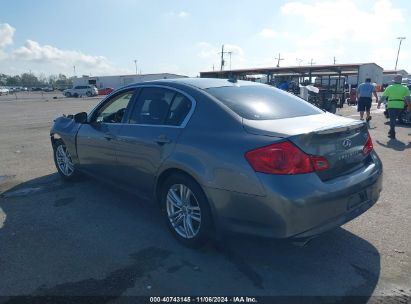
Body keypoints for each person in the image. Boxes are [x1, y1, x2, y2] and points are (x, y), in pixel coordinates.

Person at [378, 75, 411, 139]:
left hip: (391, 105)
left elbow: (383, 97)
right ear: (401, 81)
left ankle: (392, 132)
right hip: (400, 106)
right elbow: (408, 99)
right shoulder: (405, 88)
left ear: (394, 81)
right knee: (394, 119)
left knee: (392, 119)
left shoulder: (390, 87)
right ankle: (391, 131)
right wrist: (409, 107)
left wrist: (379, 103)